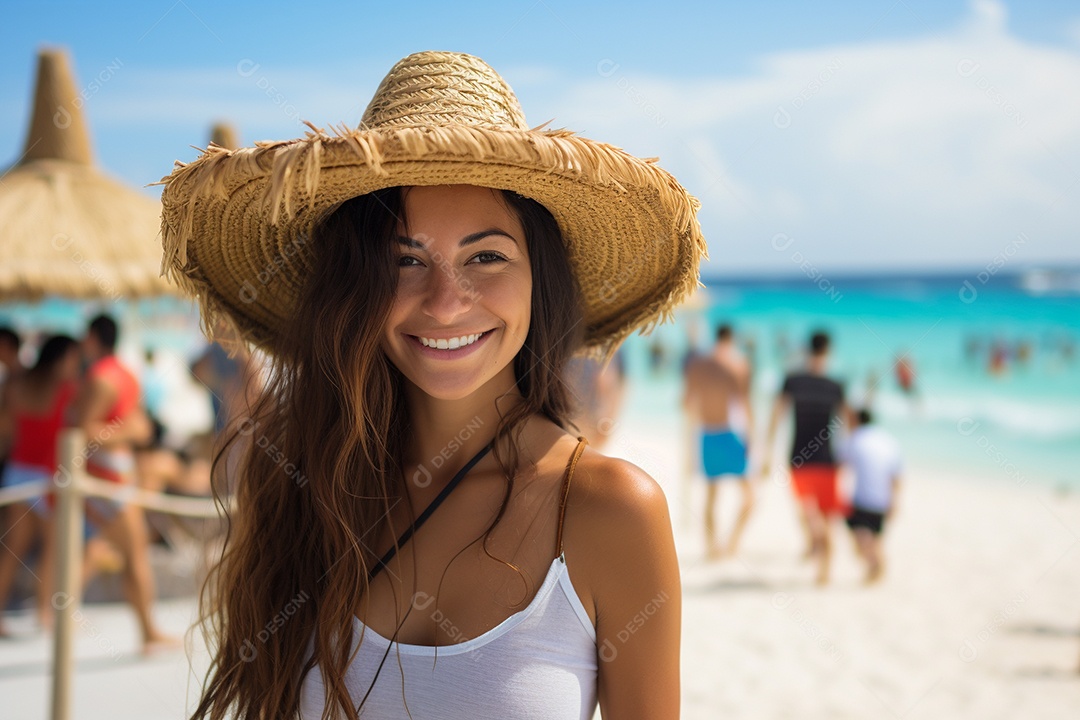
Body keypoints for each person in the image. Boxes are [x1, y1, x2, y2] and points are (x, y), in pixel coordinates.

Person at [159, 51, 705, 719]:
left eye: (486, 256)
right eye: (405, 260)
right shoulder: (303, 486)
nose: (447, 303)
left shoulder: (609, 512)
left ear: (542, 282)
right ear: (355, 288)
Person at [73, 313, 175, 652]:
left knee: (116, 551)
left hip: (105, 477)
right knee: (129, 554)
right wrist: (126, 431)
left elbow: (80, 430)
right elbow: (140, 427)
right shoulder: (127, 375)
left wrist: (121, 432)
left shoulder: (101, 378)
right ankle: (148, 631)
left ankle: (146, 631)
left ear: (92, 338)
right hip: (112, 477)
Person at [0, 335, 80, 635]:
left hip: (17, 473)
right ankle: (45, 612)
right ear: (62, 359)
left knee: (13, 549)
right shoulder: (67, 390)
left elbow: (6, 430)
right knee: (54, 547)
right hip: (47, 478)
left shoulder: (17, 385)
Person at [764, 330, 847, 585]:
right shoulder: (836, 386)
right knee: (825, 518)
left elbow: (776, 415)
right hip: (828, 461)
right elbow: (847, 424)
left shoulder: (793, 380)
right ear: (829, 351)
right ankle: (824, 571)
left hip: (798, 459)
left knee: (808, 513)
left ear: (807, 349)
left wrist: (767, 452)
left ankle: (815, 549)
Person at [682, 324, 754, 559]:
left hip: (707, 435)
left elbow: (686, 403)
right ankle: (731, 544)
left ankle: (712, 548)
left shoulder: (697, 365)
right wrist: (752, 437)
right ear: (731, 339)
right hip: (729, 433)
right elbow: (745, 404)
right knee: (750, 497)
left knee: (711, 496)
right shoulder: (737, 364)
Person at [839, 408, 901, 584]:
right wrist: (895, 501)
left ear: (856, 421)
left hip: (863, 499)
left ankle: (876, 567)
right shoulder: (887, 440)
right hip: (883, 499)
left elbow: (839, 462)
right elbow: (896, 475)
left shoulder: (855, 439)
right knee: (874, 538)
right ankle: (874, 570)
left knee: (862, 540)